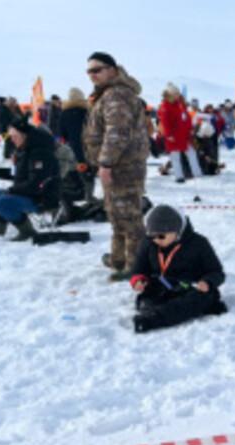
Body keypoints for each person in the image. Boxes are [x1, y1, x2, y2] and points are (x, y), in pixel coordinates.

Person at [83, 51, 150, 280]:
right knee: (116, 214)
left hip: (123, 167)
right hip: (119, 165)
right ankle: (119, 258)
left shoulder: (116, 95)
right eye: (89, 71)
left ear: (112, 69)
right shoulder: (109, 94)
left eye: (97, 69)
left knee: (129, 217)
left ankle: (136, 264)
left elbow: (117, 132)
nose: (92, 75)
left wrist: (106, 163)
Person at [130, 205, 227, 333]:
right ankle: (158, 312)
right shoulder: (148, 244)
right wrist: (138, 280)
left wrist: (207, 282)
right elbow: (139, 269)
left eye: (161, 236)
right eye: (152, 236)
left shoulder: (199, 243)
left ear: (176, 232)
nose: (156, 240)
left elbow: (217, 272)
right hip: (161, 287)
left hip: (190, 288)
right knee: (145, 300)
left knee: (199, 299)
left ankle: (152, 319)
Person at [0, 118, 60, 240]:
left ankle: (27, 232)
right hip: (29, 193)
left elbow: (36, 184)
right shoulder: (24, 150)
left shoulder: (39, 153)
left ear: (25, 136)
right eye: (11, 136)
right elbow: (18, 175)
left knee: (1, 202)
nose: (11, 140)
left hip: (42, 198)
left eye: (15, 136)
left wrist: (12, 190)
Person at [158, 83, 203, 183]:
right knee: (175, 157)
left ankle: (197, 174)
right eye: (176, 94)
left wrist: (190, 128)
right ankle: (179, 176)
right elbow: (165, 122)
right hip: (173, 136)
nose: (178, 96)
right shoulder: (165, 107)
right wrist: (169, 134)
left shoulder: (179, 105)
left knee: (191, 153)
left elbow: (186, 118)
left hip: (184, 135)